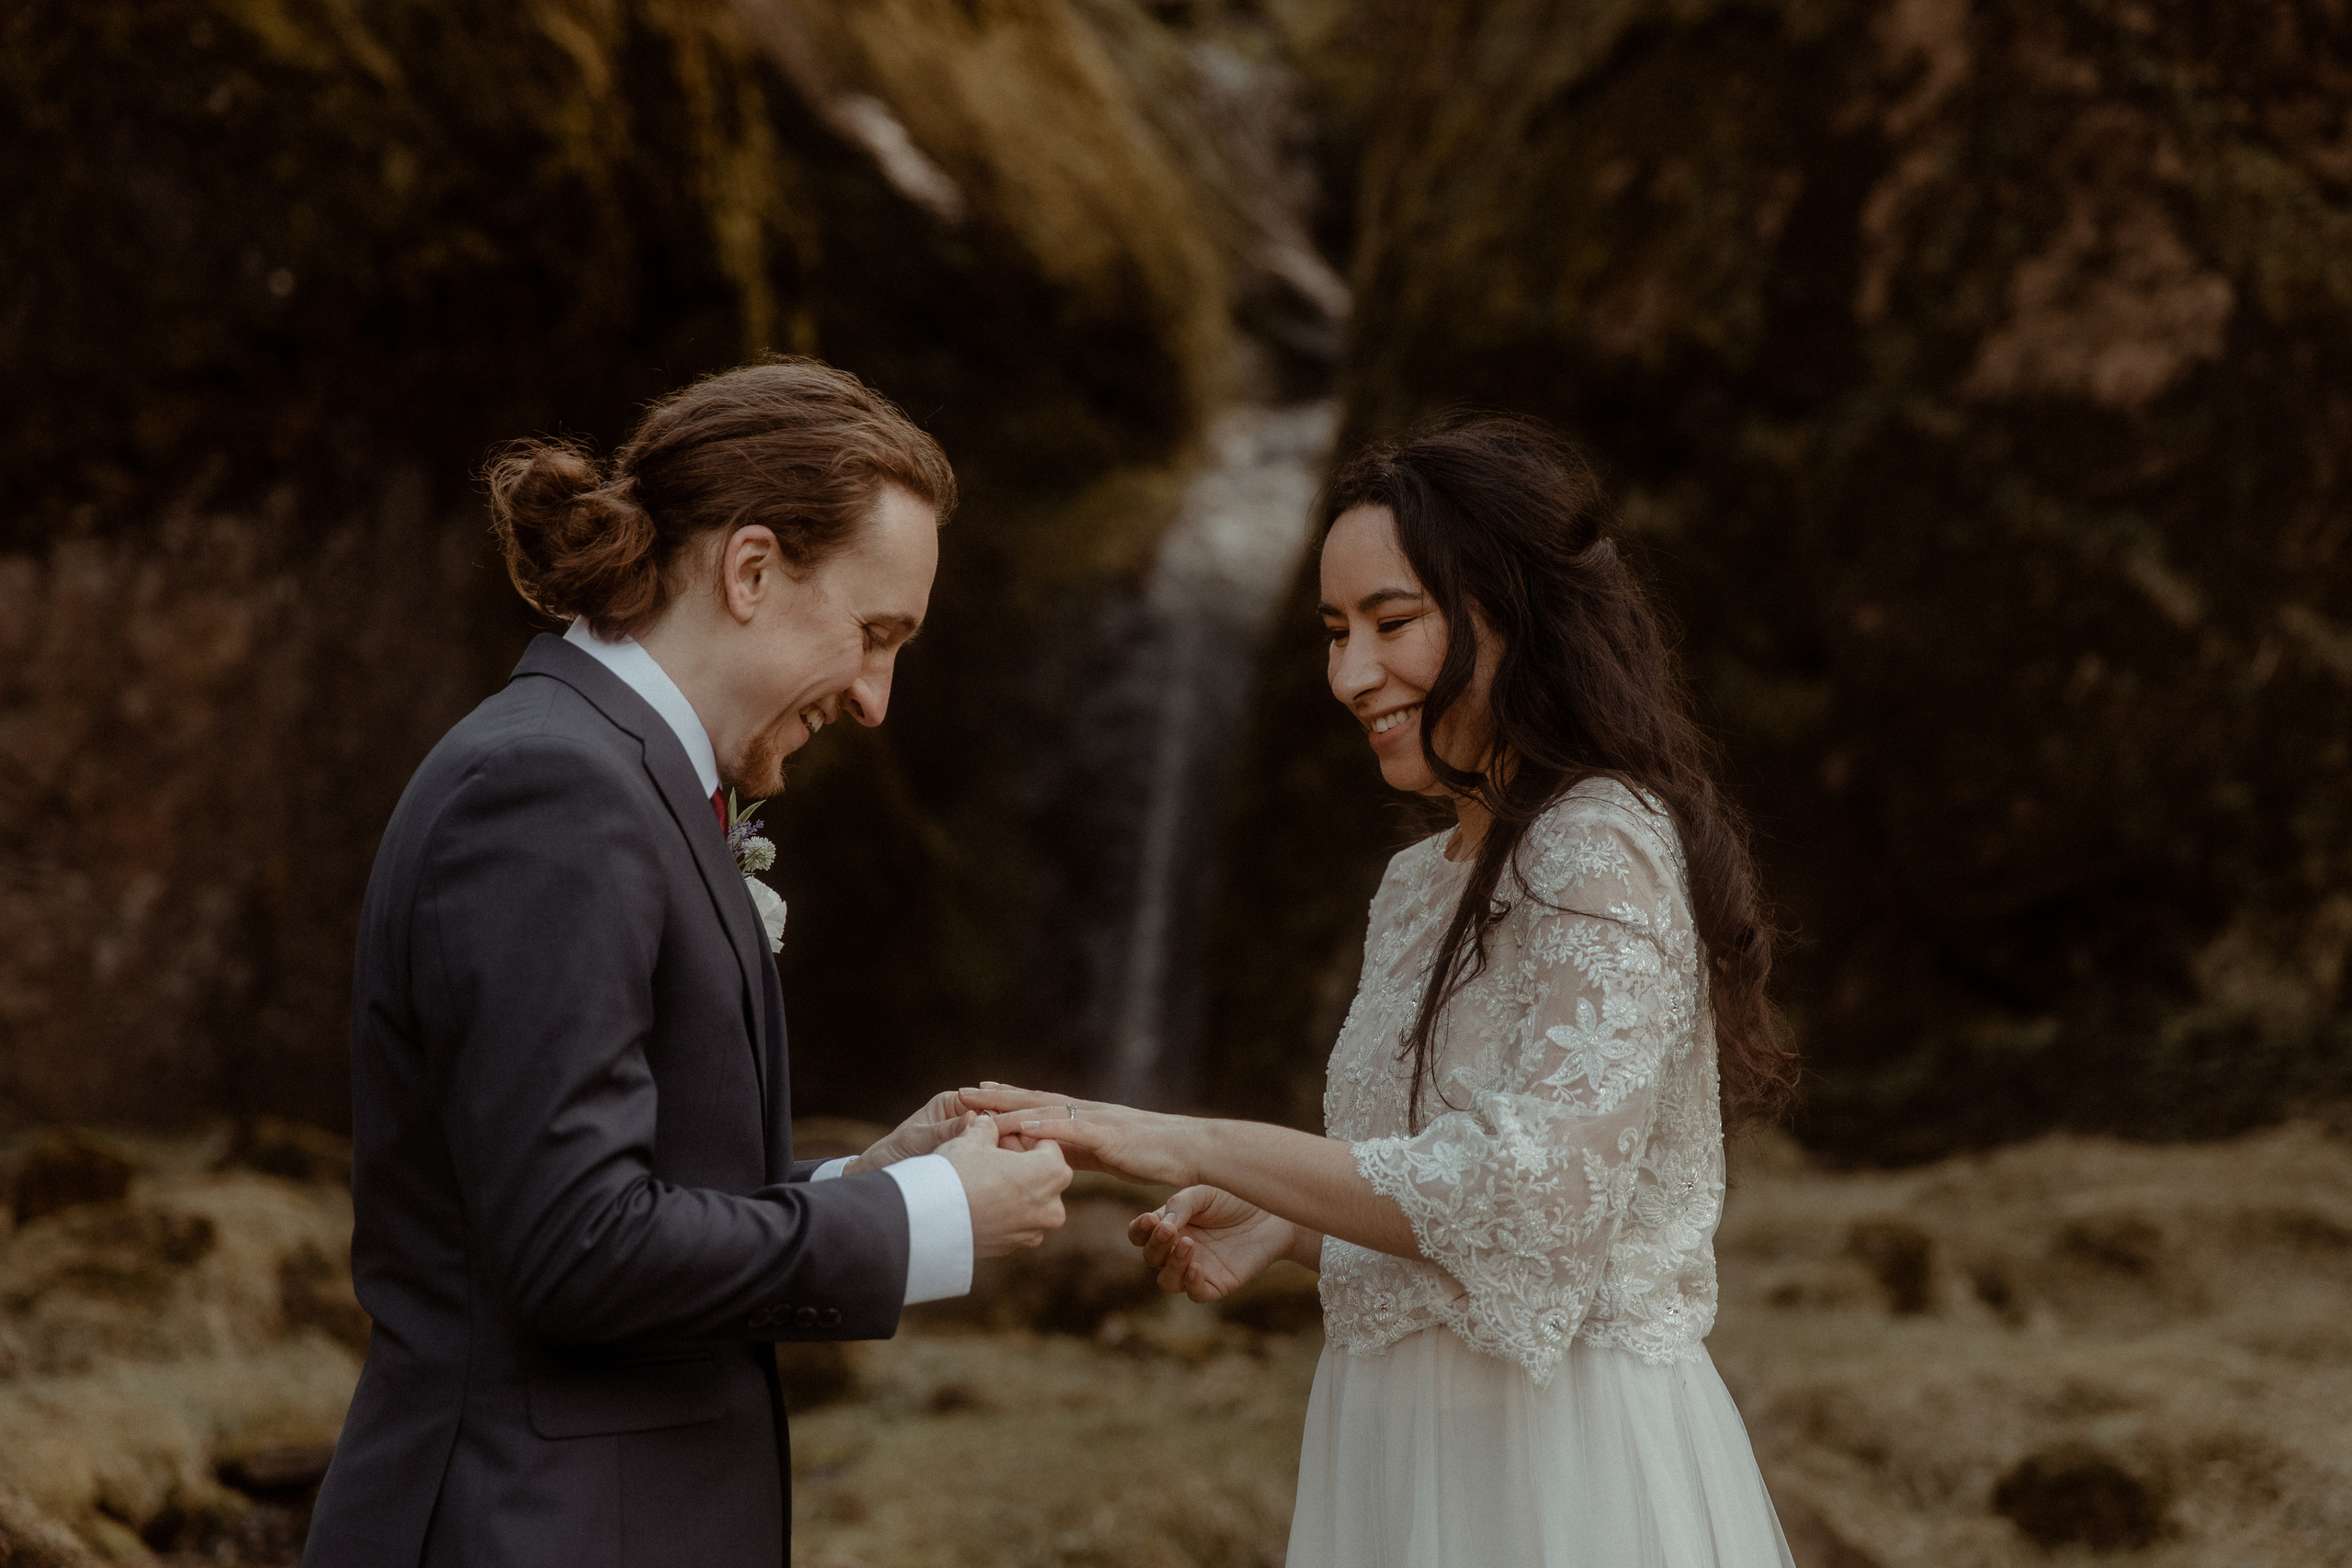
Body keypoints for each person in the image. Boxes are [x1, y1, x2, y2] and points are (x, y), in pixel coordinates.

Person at [967, 416, 1801, 1566]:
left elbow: (1542, 1210)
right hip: (1401, 1451)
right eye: (1333, 632)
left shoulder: (1600, 838)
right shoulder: (1418, 883)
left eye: (1391, 622)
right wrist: (1293, 1223)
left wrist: (1194, 1143)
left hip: (1563, 1472)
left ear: (1515, 613)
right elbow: (1458, 1228)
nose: (1349, 675)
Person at [305, 358, 1072, 1568]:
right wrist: (926, 1218)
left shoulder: (617, 773)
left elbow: (623, 1185)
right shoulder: (552, 788)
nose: (876, 699)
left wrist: (860, 1178)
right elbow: (577, 1246)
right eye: (874, 636)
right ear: (751, 569)